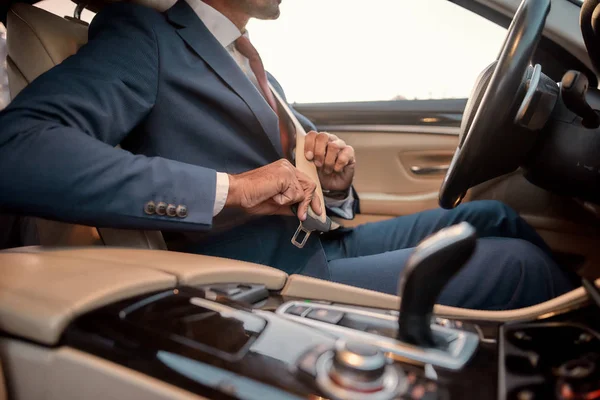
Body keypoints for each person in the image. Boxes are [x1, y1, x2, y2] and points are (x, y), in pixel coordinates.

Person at [0, 0, 574, 310]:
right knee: (517, 265)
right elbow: (18, 150)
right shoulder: (145, 36)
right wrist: (233, 189)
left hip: (320, 240)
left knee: (494, 217)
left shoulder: (255, 65)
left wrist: (338, 180)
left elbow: (308, 183)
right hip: (263, 272)